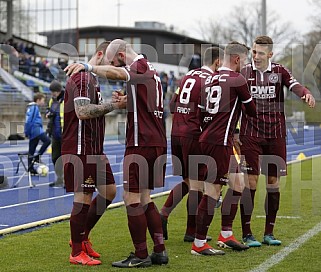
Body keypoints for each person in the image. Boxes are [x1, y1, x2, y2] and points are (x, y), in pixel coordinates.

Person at [65, 39, 168, 268]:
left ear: (121, 56)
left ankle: (141, 254)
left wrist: (89, 66)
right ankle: (159, 250)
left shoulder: (136, 67)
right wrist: (125, 103)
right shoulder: (152, 70)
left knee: (131, 198)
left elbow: (116, 74)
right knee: (142, 197)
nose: (112, 68)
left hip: (140, 142)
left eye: (114, 63)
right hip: (156, 140)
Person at [238, 35, 316, 247]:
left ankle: (269, 233)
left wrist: (305, 93)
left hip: (275, 134)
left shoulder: (279, 71)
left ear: (270, 54)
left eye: (260, 53)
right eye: (254, 52)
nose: (256, 56)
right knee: (251, 182)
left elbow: (295, 85)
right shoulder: (244, 72)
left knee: (273, 183)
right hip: (250, 133)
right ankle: (247, 233)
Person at [62, 41, 127, 266]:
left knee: (109, 191)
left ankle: (81, 236)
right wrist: (113, 106)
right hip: (81, 148)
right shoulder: (82, 78)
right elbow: (82, 112)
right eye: (111, 63)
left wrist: (112, 104)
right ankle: (76, 251)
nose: (112, 69)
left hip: (94, 148)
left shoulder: (93, 80)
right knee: (83, 198)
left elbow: (94, 111)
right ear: (100, 55)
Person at [191, 41, 257, 256]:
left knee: (238, 184)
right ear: (237, 59)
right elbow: (252, 111)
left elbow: (201, 111)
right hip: (218, 141)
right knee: (213, 190)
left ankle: (226, 234)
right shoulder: (237, 79)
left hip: (212, 137)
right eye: (245, 59)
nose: (245, 64)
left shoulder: (210, 79)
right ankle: (199, 243)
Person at [160, 46, 224, 242]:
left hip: (177, 131)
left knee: (188, 181)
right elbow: (209, 111)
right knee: (196, 184)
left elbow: (172, 104)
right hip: (194, 133)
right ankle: (190, 231)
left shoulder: (188, 76)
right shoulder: (211, 80)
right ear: (218, 62)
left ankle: (164, 216)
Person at [24, 92, 51, 174]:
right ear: (38, 100)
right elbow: (29, 121)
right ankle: (38, 157)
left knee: (31, 150)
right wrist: (27, 131)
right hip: (36, 129)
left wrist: (27, 131)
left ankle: (30, 168)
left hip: (33, 130)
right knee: (48, 141)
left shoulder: (31, 107)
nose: (43, 102)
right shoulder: (34, 107)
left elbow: (28, 120)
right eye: (43, 100)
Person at [46, 80, 64, 187]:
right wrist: (48, 113)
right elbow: (49, 110)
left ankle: (68, 179)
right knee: (55, 157)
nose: (53, 94)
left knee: (66, 158)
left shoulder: (67, 100)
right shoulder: (52, 101)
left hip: (65, 133)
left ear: (59, 90)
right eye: (52, 91)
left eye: (55, 91)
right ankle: (60, 178)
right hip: (55, 133)